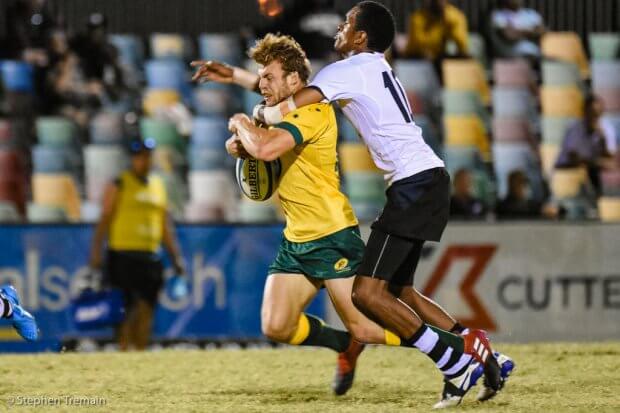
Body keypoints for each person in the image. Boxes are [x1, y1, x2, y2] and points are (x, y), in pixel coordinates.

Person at [192, 2, 513, 408]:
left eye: (346, 23)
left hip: (391, 196)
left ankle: (458, 357)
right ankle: (478, 354)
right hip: (411, 184)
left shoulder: (336, 80)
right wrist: (239, 82)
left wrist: (243, 122)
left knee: (370, 300)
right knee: (397, 294)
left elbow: (281, 109)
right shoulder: (362, 70)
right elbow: (282, 91)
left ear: (360, 37)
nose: (338, 28)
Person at [89, 137, 185, 351]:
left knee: (146, 309)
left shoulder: (158, 185)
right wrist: (96, 251)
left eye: (146, 156)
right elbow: (104, 219)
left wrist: (175, 257)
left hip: (150, 256)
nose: (143, 161)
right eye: (139, 156)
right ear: (132, 159)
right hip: (122, 255)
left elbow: (164, 225)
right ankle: (124, 350)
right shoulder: (119, 184)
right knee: (124, 310)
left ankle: (140, 351)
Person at [556, 94, 616, 195]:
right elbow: (573, 159)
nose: (594, 117)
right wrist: (596, 162)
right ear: (584, 112)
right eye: (591, 113)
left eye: (597, 114)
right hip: (568, 170)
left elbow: (611, 160)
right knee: (585, 172)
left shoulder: (606, 129)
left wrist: (603, 140)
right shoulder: (574, 129)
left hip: (592, 171)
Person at [403, 0, 469, 61]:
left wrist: (451, 24)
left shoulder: (454, 16)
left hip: (441, 59)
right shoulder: (417, 18)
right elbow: (419, 45)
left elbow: (462, 46)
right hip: (415, 59)